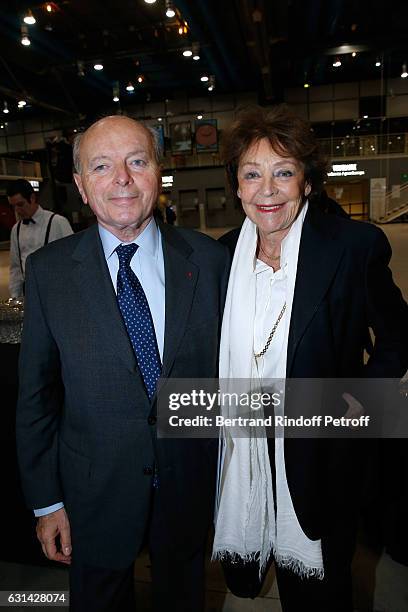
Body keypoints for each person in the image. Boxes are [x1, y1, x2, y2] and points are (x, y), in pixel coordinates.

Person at [16, 115, 229, 612]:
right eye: (102, 166)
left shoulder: (211, 261)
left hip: (190, 487)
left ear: (159, 170)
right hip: (93, 493)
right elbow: (36, 398)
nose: (122, 179)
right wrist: (47, 502)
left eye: (137, 161)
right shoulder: (49, 273)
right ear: (81, 185)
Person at [212, 105, 408, 611]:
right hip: (246, 455)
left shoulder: (351, 246)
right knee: (249, 583)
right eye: (252, 174)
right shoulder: (222, 258)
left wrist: (357, 403)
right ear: (236, 187)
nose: (268, 190)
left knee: (319, 595)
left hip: (324, 457)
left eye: (283, 172)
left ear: (306, 180)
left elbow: (398, 335)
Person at [7, 179, 73, 298]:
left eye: (20, 204)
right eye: (13, 206)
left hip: (57, 291)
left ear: (32, 198)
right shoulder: (15, 230)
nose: (17, 210)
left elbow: (73, 260)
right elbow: (16, 268)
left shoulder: (57, 222)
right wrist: (15, 296)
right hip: (30, 293)